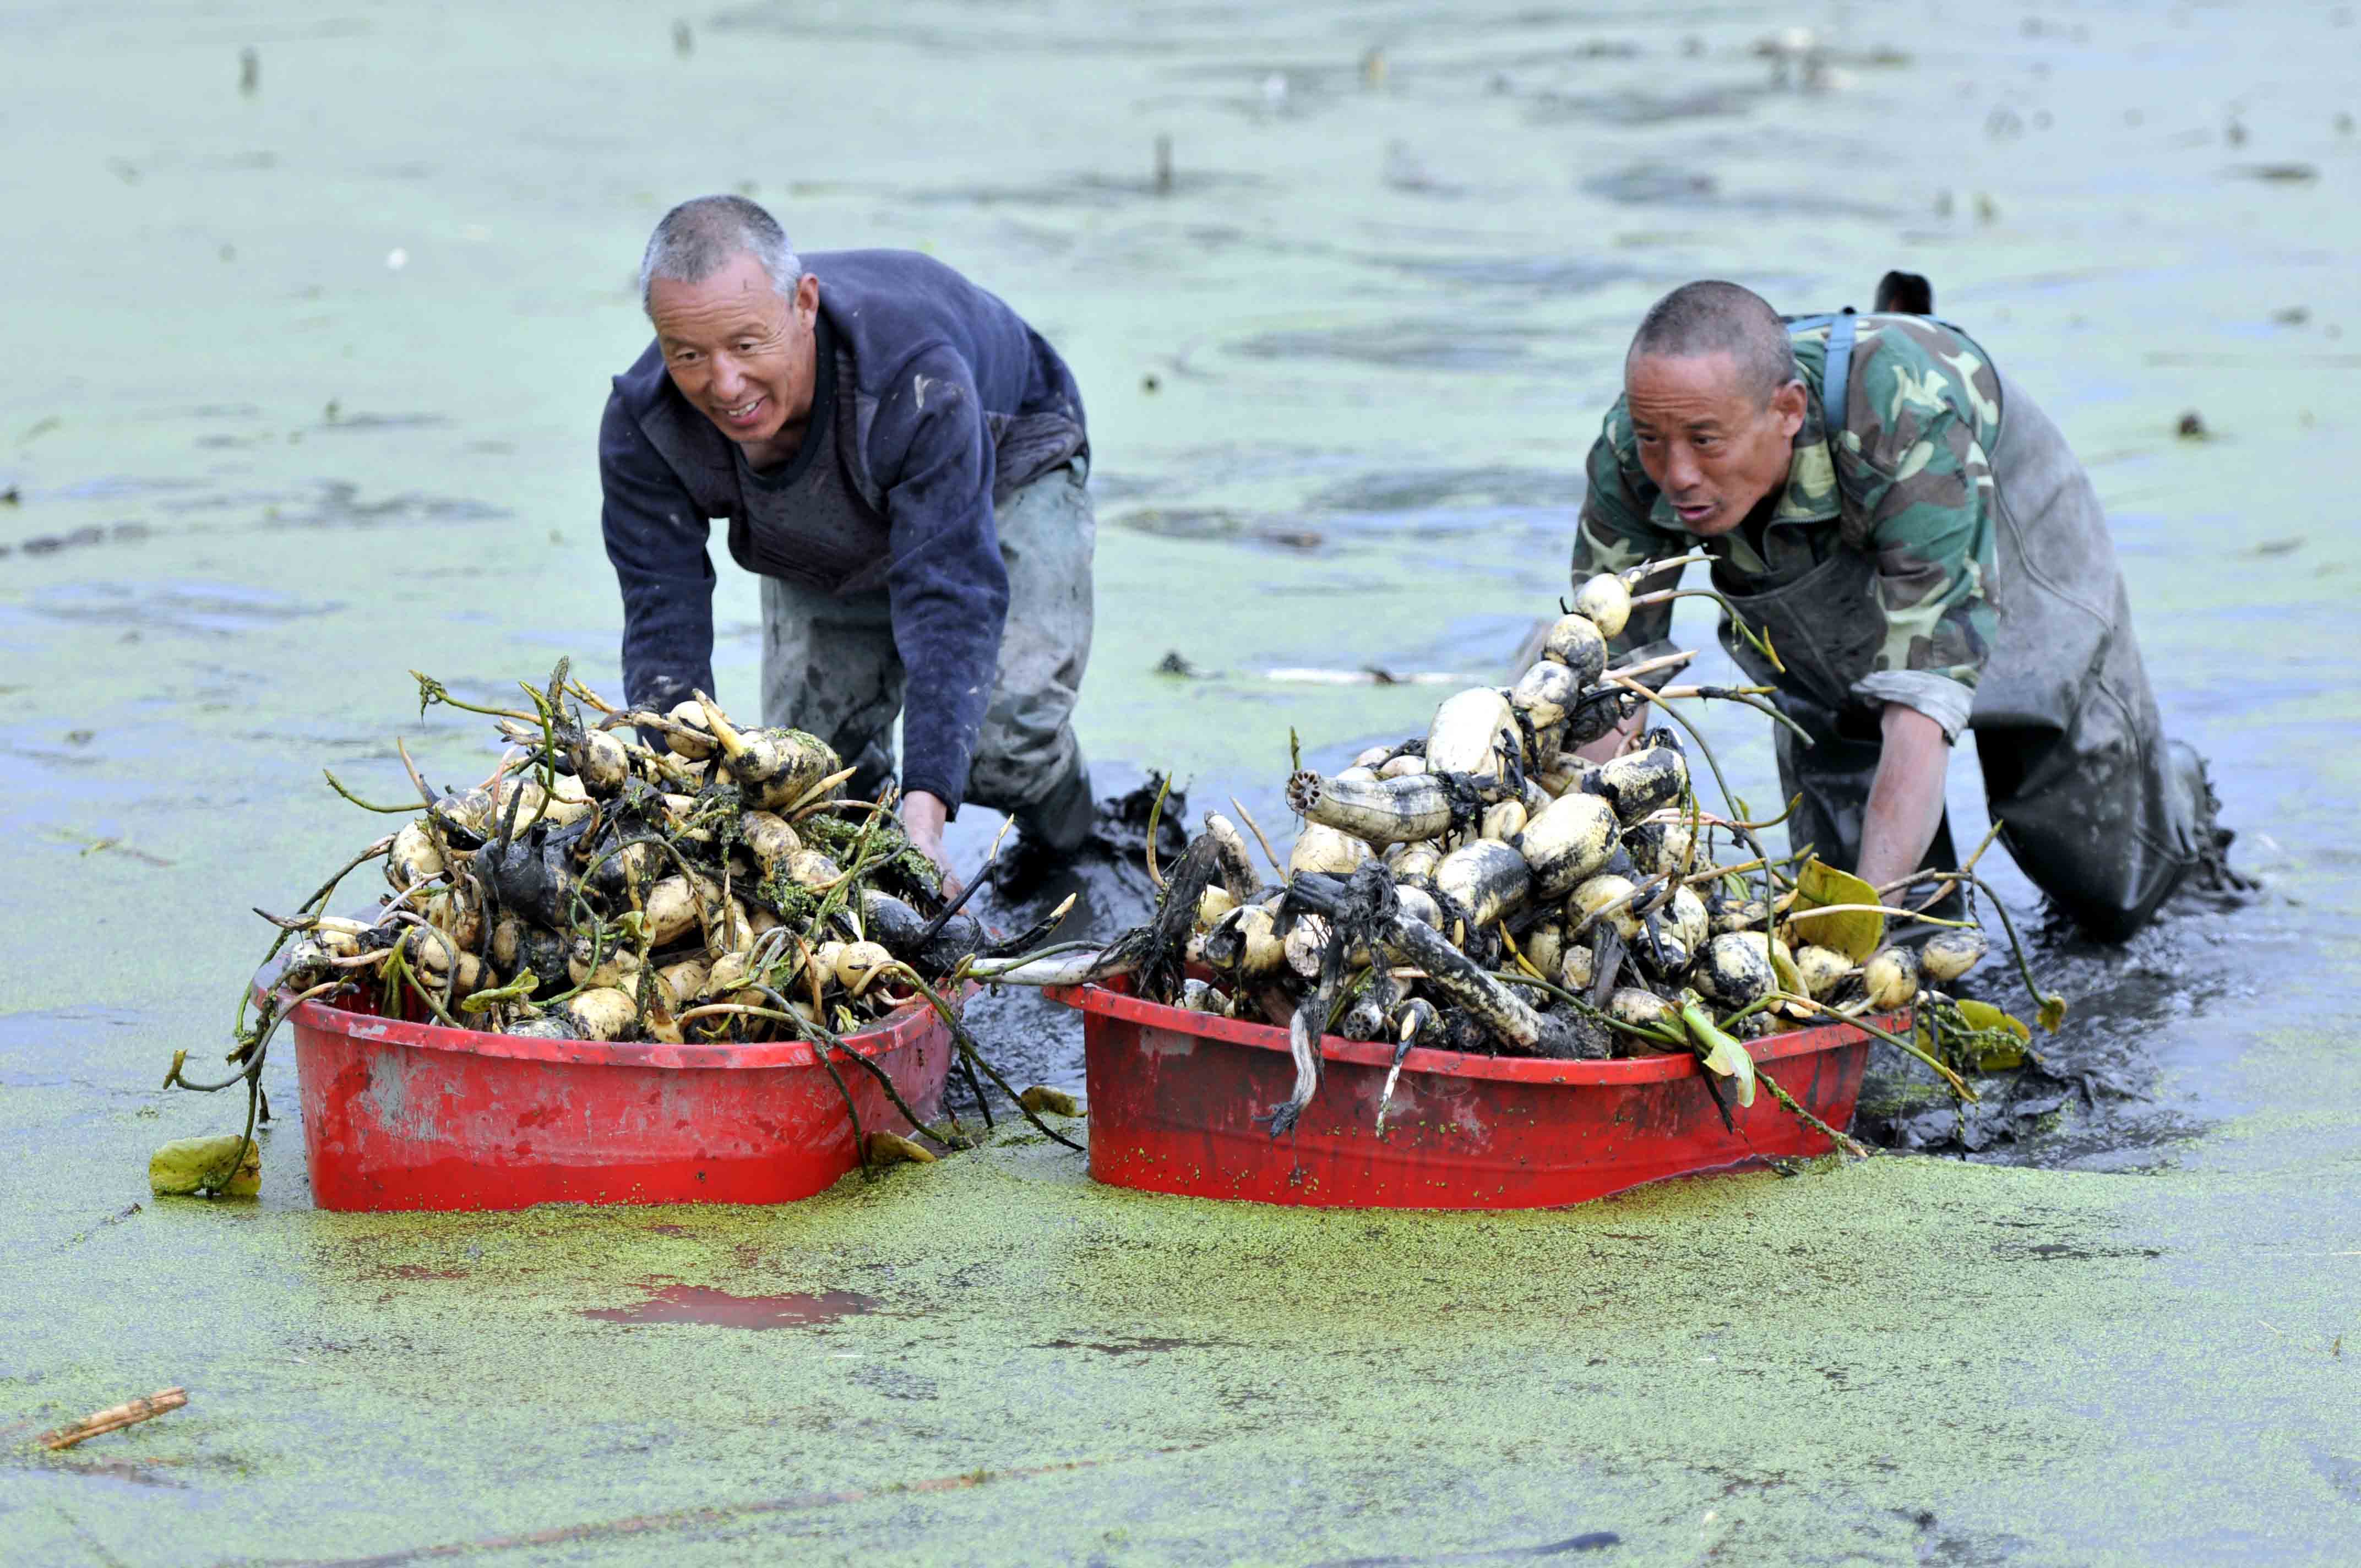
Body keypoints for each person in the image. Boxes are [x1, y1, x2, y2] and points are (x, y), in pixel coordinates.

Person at [1571, 276, 2229, 940]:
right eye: (1653, 437)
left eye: (1705, 442)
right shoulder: (1637, 447)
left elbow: (1920, 714)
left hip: (1999, 525)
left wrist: (1861, 929)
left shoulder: (1911, 419)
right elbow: (1614, 684)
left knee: (2100, 876)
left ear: (1789, 410)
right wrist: (1568, 857)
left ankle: (2179, 795)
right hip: (1813, 584)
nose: (1675, 472)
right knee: (1875, 904)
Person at [599, 195, 1097, 895]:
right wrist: (686, 811)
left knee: (1006, 749)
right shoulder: (644, 423)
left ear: (805, 304)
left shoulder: (918, 380)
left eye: (747, 345)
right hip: (817, 512)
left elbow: (949, 594)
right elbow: (663, 625)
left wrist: (925, 822)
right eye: (688, 355)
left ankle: (1081, 844)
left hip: (1006, 463)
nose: (725, 385)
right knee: (819, 783)